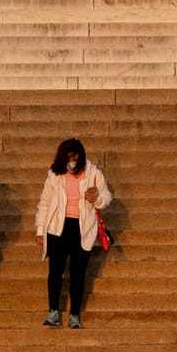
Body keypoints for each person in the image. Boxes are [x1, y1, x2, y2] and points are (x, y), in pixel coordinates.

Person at [34, 138, 113, 329]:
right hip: (57, 229)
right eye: (69, 156)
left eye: (75, 155)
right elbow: (44, 202)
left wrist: (96, 199)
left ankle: (75, 314)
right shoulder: (54, 174)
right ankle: (53, 311)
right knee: (55, 272)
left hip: (82, 228)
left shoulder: (93, 173)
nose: (72, 160)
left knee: (78, 274)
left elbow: (107, 197)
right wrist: (39, 228)